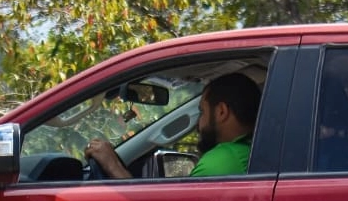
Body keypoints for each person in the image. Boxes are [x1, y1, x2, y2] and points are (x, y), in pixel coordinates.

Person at [84, 72, 261, 179]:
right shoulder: (251, 152)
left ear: (221, 112)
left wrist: (113, 166)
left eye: (202, 112)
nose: (198, 124)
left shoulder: (220, 162)